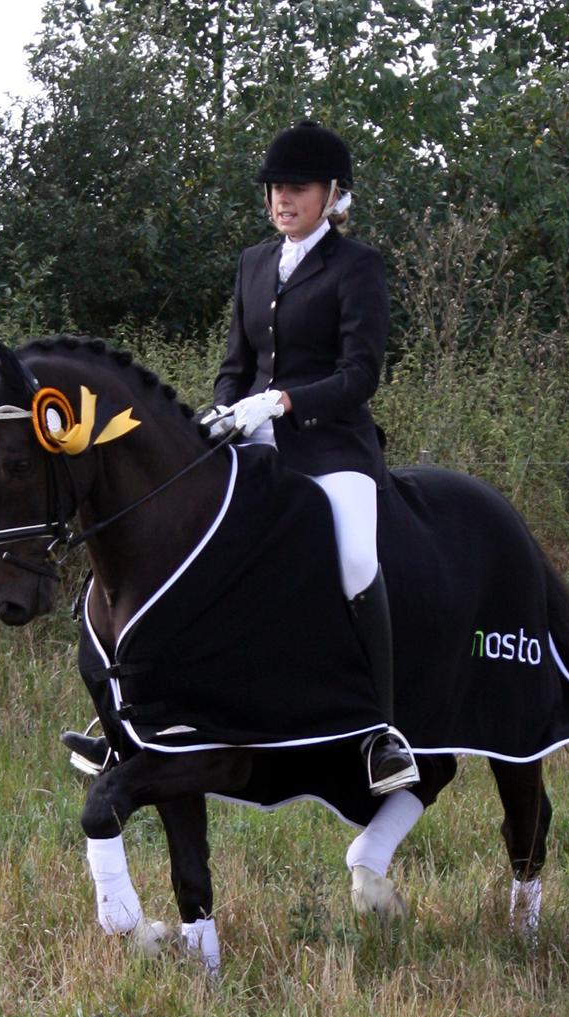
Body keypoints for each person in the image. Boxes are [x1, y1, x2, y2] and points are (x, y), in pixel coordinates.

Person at [208, 120, 420, 797]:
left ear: (332, 196)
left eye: (297, 188)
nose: (282, 199)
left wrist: (286, 402)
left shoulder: (357, 268)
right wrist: (225, 409)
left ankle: (382, 734)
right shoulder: (252, 264)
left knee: (357, 558)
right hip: (255, 439)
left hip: (332, 446)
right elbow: (234, 364)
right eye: (275, 188)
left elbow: (361, 375)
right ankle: (145, 719)